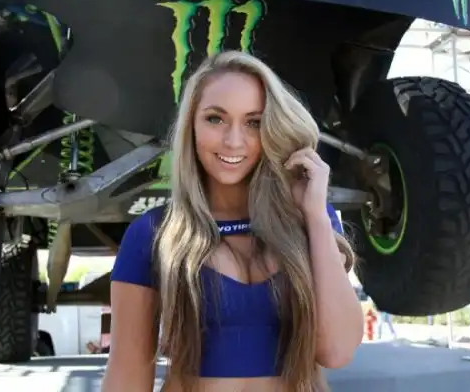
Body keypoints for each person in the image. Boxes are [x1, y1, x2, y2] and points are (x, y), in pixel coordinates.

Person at [102, 51, 364, 392]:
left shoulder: (312, 220)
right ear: (191, 126)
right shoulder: (153, 234)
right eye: (215, 119)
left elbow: (337, 350)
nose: (233, 141)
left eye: (253, 122)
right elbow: (126, 376)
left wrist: (314, 215)